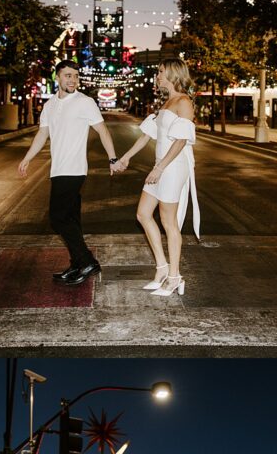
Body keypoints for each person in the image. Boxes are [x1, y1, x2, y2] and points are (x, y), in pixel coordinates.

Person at [18, 60, 119, 286]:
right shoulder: (50, 105)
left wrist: (112, 158)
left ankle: (87, 261)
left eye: (75, 75)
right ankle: (77, 264)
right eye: (67, 75)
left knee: (57, 218)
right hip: (58, 169)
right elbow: (42, 135)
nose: (72, 80)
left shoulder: (85, 102)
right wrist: (27, 158)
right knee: (71, 219)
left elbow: (102, 131)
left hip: (74, 170)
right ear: (57, 77)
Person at [114, 59, 200, 298]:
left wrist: (161, 168)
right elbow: (147, 135)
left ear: (173, 72)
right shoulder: (167, 101)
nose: (157, 76)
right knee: (142, 214)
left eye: (160, 72)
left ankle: (174, 277)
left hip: (172, 167)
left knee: (168, 222)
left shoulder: (183, 101)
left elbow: (181, 140)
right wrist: (125, 158)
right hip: (160, 165)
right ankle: (162, 268)